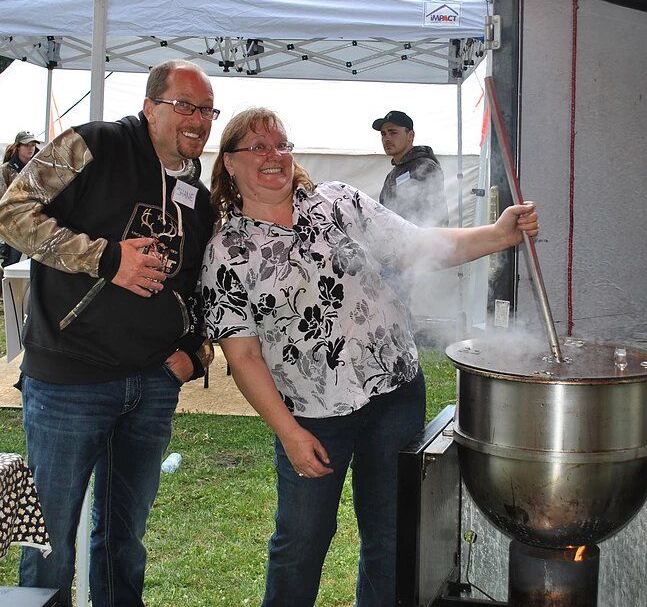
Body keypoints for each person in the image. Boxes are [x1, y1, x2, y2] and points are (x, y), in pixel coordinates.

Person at [201, 107, 538, 607]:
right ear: (229, 163)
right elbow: (244, 356)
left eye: (282, 144)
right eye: (258, 147)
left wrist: (500, 234)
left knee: (390, 533)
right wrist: (290, 435)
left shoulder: (338, 203)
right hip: (313, 419)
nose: (274, 156)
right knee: (302, 542)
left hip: (395, 392)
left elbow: (420, 246)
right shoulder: (225, 252)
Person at [0, 59, 218, 606]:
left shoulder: (197, 196)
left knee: (124, 539)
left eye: (206, 111)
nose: (197, 121)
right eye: (183, 106)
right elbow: (11, 214)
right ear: (150, 106)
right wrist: (105, 257)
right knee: (50, 539)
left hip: (151, 385)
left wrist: (195, 351)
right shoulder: (91, 145)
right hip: (70, 379)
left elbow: (203, 286)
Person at [0, 131, 42, 315]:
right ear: (18, 147)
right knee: (10, 260)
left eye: (32, 145)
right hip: (14, 222)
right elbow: (0, 199)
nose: (30, 149)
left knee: (39, 259)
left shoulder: (39, 166)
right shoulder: (7, 169)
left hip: (36, 220)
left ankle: (34, 301)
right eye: (26, 145)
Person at [373, 110, 448, 227]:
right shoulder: (391, 176)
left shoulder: (425, 167)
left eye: (393, 132)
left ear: (410, 136)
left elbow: (434, 217)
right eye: (383, 134)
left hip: (422, 242)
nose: (386, 138)